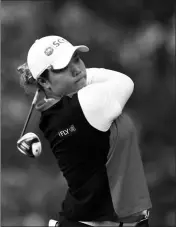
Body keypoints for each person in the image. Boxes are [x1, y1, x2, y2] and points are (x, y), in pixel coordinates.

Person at [18, 35, 152, 227]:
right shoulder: (86, 104)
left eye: (76, 59)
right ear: (45, 83)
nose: (76, 69)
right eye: (63, 67)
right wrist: (84, 75)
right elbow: (124, 82)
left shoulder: (56, 115)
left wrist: (62, 82)